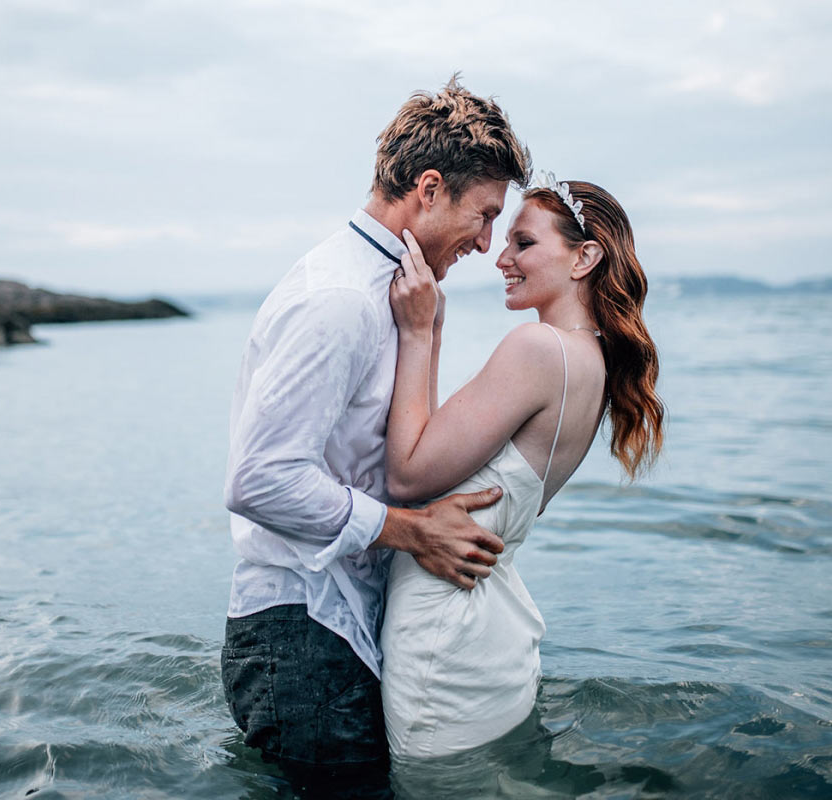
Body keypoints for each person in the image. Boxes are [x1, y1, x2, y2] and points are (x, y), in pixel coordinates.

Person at [221, 77, 530, 794]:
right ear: (428, 189)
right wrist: (414, 531)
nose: (487, 244)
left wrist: (429, 330)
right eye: (482, 216)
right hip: (299, 634)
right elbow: (258, 479)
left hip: (333, 628)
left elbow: (394, 453)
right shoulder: (340, 301)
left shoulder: (399, 292)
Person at [380, 175, 665, 759]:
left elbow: (406, 476)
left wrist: (416, 331)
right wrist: (432, 330)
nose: (501, 258)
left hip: (445, 633)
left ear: (584, 257)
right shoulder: (592, 361)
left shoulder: (538, 350)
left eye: (523, 244)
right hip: (489, 626)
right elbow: (435, 452)